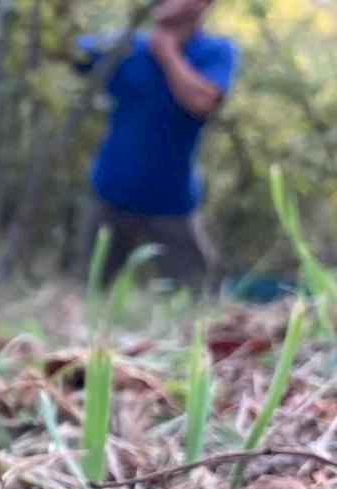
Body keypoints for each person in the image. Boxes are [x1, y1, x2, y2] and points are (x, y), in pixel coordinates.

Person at [75, 0, 238, 290]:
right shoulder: (124, 46)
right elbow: (63, 50)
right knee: (91, 289)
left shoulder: (216, 51)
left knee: (200, 294)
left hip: (173, 203)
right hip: (111, 194)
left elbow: (203, 102)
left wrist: (168, 54)